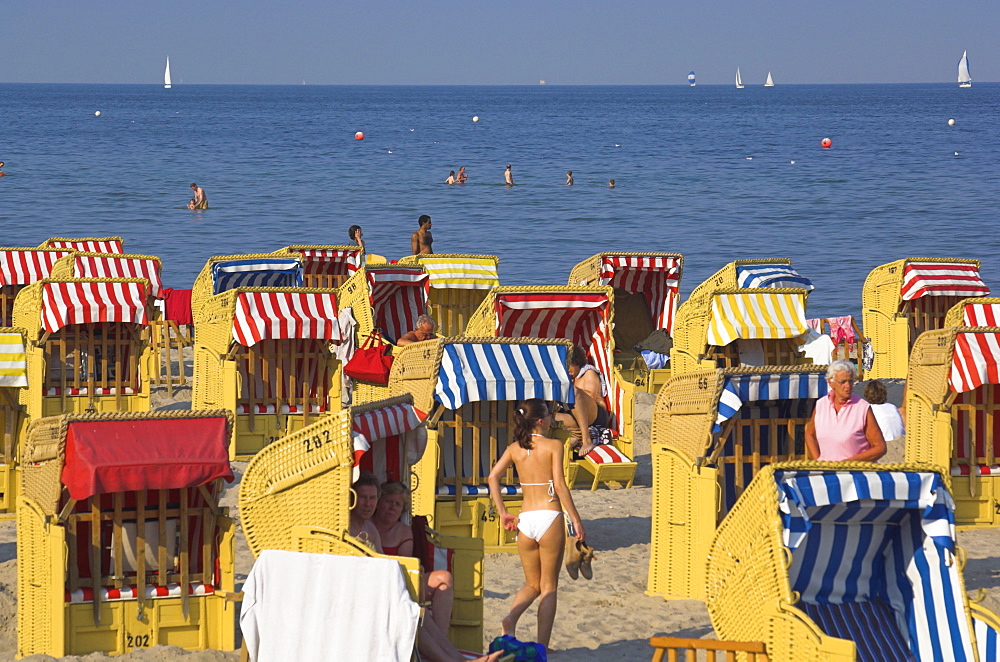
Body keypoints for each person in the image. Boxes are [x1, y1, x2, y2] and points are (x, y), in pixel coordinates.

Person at [488, 399, 585, 649]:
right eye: (550, 417)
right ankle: (542, 646)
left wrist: (502, 512)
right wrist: (575, 518)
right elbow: (560, 486)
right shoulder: (554, 445)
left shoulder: (514, 448)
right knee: (549, 586)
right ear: (541, 420)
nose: (553, 420)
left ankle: (511, 618)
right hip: (549, 516)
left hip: (526, 519)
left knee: (532, 584)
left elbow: (492, 477)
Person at [373, 482, 454, 632]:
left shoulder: (403, 532)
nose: (392, 508)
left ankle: (442, 636)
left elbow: (405, 566)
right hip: (375, 584)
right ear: (379, 502)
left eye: (398, 504)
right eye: (388, 501)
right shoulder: (367, 526)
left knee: (444, 578)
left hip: (399, 582)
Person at [805, 360, 886, 462]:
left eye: (850, 381)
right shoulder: (821, 405)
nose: (848, 386)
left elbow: (880, 447)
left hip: (856, 474)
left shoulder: (862, 407)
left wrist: (849, 463)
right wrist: (818, 460)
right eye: (843, 382)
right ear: (831, 383)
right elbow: (810, 434)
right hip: (828, 473)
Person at [554, 346, 609, 457]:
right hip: (575, 415)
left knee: (573, 392)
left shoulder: (588, 373)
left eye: (569, 366)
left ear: (576, 362)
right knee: (545, 417)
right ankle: (574, 437)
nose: (567, 370)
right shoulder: (570, 378)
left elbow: (591, 396)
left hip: (595, 413)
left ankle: (586, 440)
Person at [349, 472, 383, 552]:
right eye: (362, 497)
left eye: (372, 498)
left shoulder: (371, 530)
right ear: (352, 498)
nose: (367, 504)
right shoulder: (342, 527)